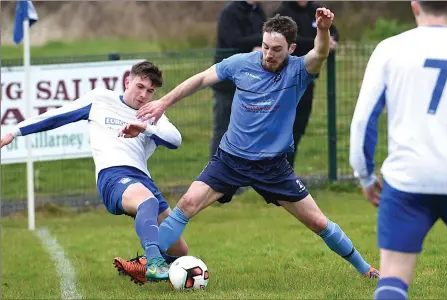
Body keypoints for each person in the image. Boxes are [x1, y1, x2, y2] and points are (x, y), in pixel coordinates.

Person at [120, 10, 380, 283]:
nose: (269, 54)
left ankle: (366, 269)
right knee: (187, 203)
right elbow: (200, 79)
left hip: (273, 167)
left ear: (291, 48)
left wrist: (324, 30)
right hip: (230, 160)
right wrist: (164, 102)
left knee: (318, 222)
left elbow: (321, 53)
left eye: (277, 49)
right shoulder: (241, 63)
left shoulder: (298, 70)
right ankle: (147, 264)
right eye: (266, 46)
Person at [0, 61, 189, 284]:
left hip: (143, 180)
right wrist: (14, 132)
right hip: (113, 176)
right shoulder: (101, 99)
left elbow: (175, 140)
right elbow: (58, 115)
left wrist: (145, 127)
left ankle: (144, 265)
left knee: (179, 252)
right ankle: (154, 263)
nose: (143, 95)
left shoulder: (152, 113)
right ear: (127, 81)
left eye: (150, 91)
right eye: (140, 86)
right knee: (147, 202)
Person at [349, 2, 447, 299]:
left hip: (407, 180)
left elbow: (363, 120)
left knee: (393, 278)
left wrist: (365, 176)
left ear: (414, 6)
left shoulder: (390, 49)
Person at [273, 1, 339, 168]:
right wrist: (320, 43)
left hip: (308, 79)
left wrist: (330, 38)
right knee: (285, 129)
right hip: (287, 80)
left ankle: (287, 171)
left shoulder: (315, 10)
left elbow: (334, 30)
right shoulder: (284, 11)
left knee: (299, 127)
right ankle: (277, 172)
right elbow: (289, 40)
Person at [210, 1, 266, 157]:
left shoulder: (258, 11)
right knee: (223, 130)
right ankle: (215, 177)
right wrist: (256, 45)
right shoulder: (230, 13)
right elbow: (232, 41)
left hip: (251, 83)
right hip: (227, 83)